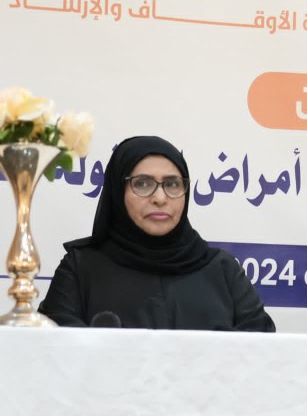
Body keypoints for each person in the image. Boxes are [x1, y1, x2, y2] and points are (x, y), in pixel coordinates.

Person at [38, 135, 275, 331]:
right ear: (117, 191)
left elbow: (261, 351)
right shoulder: (80, 268)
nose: (160, 198)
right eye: (142, 184)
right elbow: (54, 351)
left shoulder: (223, 270)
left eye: (172, 184)